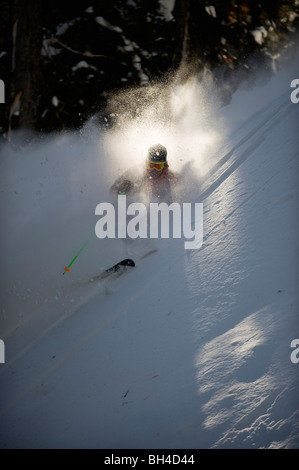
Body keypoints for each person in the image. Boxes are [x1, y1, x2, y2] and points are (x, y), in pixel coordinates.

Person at [110, 143, 177, 198]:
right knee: (127, 186)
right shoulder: (137, 172)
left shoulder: (170, 177)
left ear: (164, 166)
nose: (154, 170)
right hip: (136, 207)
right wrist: (120, 192)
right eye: (151, 165)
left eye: (158, 166)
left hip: (160, 206)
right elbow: (113, 190)